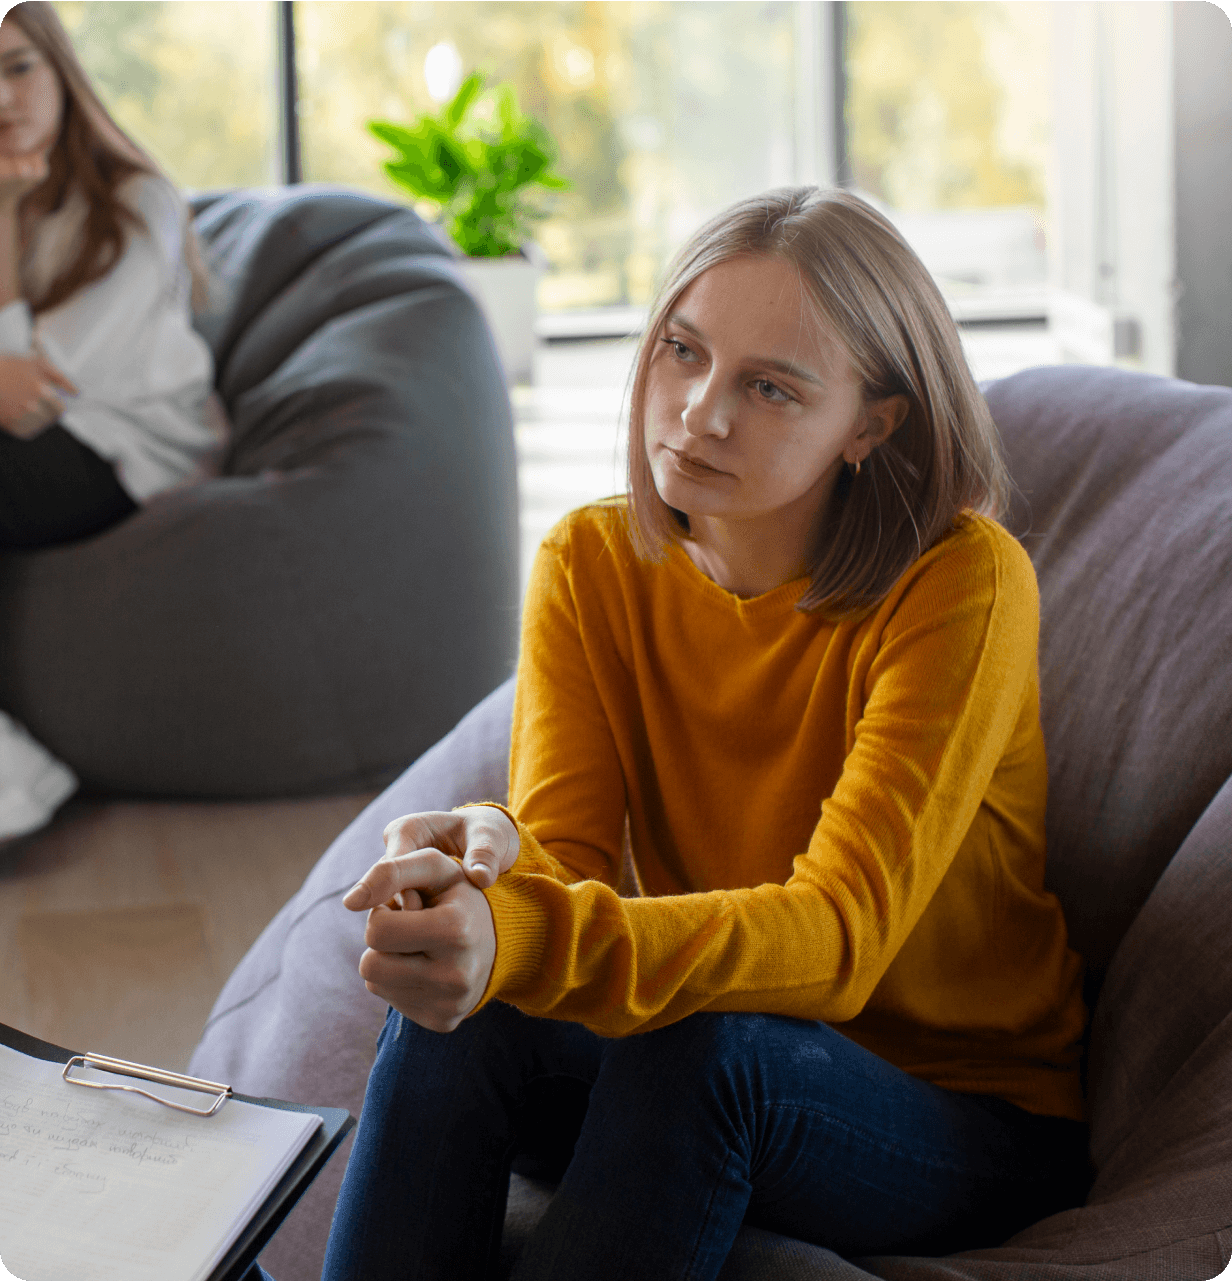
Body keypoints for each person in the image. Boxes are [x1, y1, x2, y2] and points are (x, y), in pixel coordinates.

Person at [312, 187, 1091, 1281]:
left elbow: (836, 942)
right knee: (477, 1012)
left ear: (871, 424)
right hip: (694, 1054)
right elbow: (568, 866)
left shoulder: (959, 585)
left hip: (955, 1110)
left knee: (707, 1048)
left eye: (769, 388)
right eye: (681, 351)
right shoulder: (590, 566)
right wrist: (490, 861)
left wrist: (531, 932)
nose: (697, 413)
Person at [0, 2, 226, 841]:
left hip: (123, 455)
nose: (4, 98)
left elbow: (40, 398)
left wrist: (4, 218)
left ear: (63, 73)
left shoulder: (137, 200)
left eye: (20, 67)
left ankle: (14, 786)